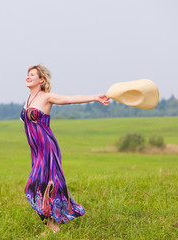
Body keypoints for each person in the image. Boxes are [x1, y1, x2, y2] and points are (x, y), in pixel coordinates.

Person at [20, 64, 110, 233]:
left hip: (47, 148)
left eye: (32, 74)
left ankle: (54, 225)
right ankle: (51, 226)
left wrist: (95, 97)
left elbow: (71, 99)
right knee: (41, 186)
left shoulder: (46, 97)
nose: (28, 76)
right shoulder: (28, 100)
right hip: (36, 150)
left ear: (41, 80)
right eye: (27, 74)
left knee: (40, 186)